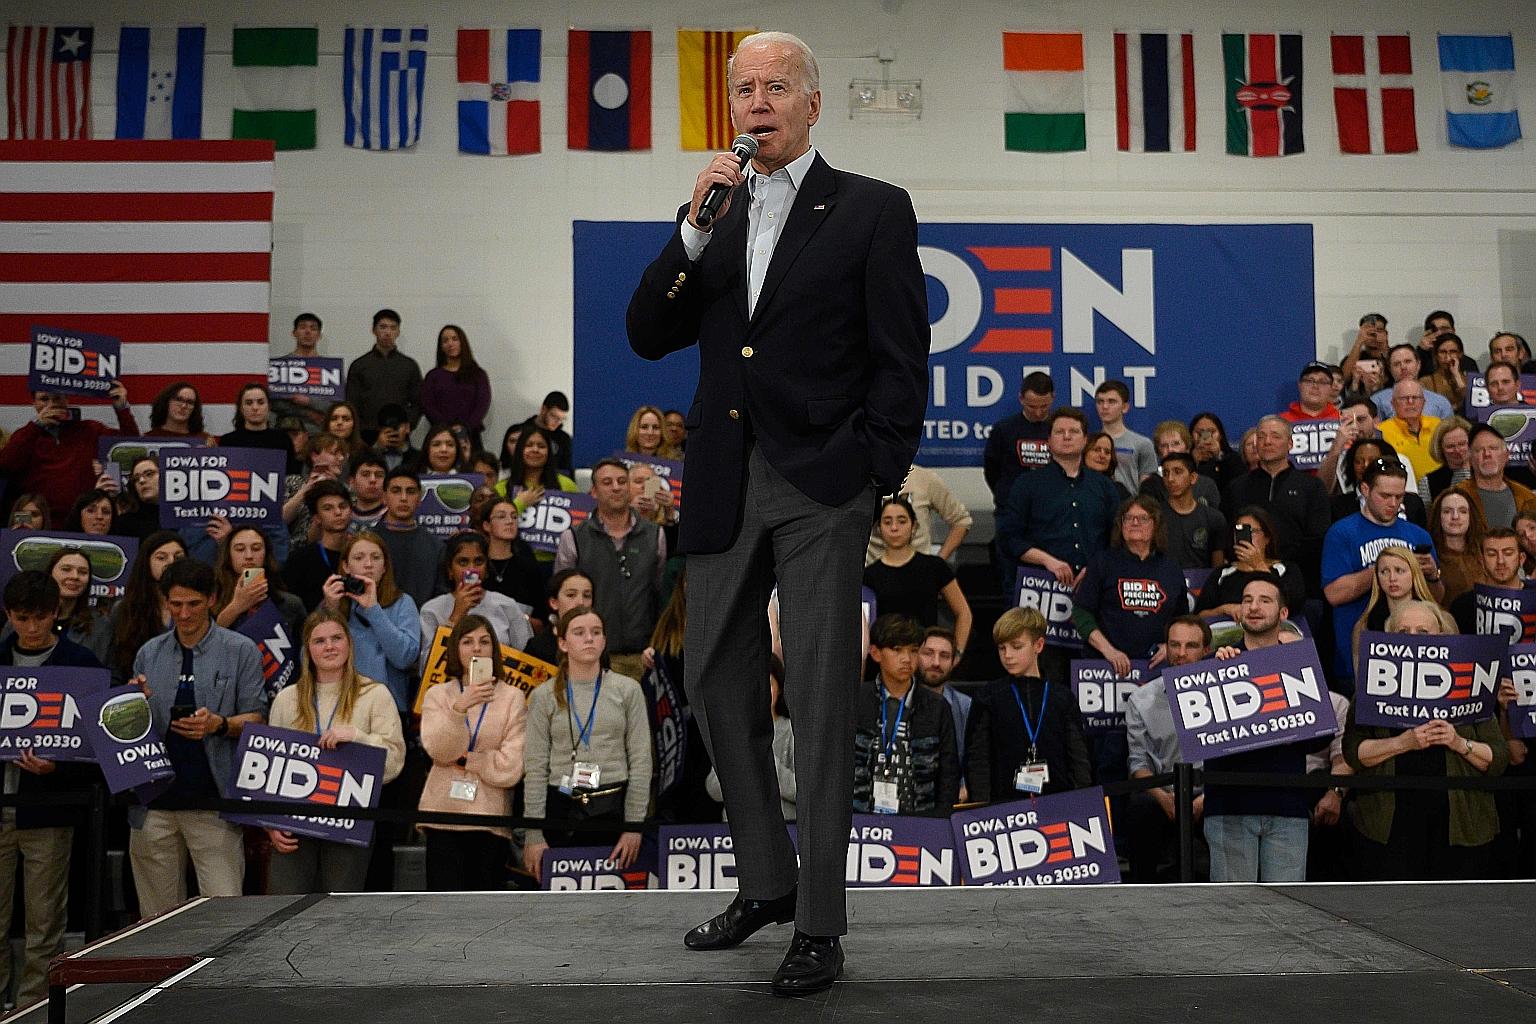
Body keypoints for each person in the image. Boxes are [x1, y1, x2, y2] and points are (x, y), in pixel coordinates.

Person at [625, 30, 928, 996]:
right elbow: (645, 334)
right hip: (723, 477)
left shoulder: (872, 209)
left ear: (812, 102)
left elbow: (902, 355)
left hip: (821, 483)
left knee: (825, 696)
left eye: (774, 87)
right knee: (710, 675)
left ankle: (820, 924)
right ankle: (765, 876)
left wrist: (872, 473)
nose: (757, 102)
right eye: (743, 89)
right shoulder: (711, 213)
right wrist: (691, 230)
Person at [127, 558, 266, 917]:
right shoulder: (148, 653)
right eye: (175, 604)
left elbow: (257, 718)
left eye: (193, 604)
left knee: (224, 916)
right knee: (155, 922)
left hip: (213, 802)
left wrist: (219, 724)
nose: (184, 614)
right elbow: (131, 729)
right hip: (154, 804)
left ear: (212, 600)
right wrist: (131, 705)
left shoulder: (241, 650)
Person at [1345, 600, 1508, 879]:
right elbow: (1352, 752)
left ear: (1442, 639)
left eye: (1423, 631)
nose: (1413, 639)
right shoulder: (1371, 687)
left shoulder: (1470, 682)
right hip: (1390, 826)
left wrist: (1457, 742)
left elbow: (1498, 759)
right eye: (1402, 632)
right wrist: (1403, 743)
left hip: (1460, 826)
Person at [0, 571, 104, 1006]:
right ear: (9, 615)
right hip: (3, 807)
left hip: (50, 808)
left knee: (45, 920)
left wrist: (55, 768)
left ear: (55, 614)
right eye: (22, 618)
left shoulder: (81, 666)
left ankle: (33, 1009)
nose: (31, 627)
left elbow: (96, 751)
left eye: (40, 617)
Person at [266, 610, 405, 893]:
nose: (329, 646)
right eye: (319, 641)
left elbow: (394, 763)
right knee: (282, 910)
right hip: (295, 825)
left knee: (339, 915)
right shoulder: (286, 699)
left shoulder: (375, 694)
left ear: (349, 644)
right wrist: (270, 824)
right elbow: (270, 770)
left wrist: (357, 737)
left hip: (349, 822)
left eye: (336, 638)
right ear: (307, 650)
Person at [1203, 574, 1325, 882]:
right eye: (1247, 600)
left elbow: (1319, 740)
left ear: (1283, 614)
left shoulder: (1301, 666)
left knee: (1287, 915)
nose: (1254, 607)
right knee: (1233, 915)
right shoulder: (1215, 664)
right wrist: (1220, 674)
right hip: (1229, 807)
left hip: (1287, 807)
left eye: (1264, 600)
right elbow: (1198, 735)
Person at [522, 606, 651, 876]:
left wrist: (634, 826)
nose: (589, 639)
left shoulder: (627, 690)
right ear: (562, 643)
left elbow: (640, 761)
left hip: (613, 806)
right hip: (560, 805)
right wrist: (533, 835)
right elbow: (535, 767)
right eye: (579, 633)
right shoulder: (544, 695)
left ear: (604, 641)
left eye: (596, 632)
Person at [418, 614, 529, 891]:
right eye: (467, 642)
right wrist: (459, 708)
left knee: (483, 911)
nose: (476, 649)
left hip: (489, 819)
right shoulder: (437, 695)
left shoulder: (512, 697)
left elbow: (512, 767)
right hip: (443, 816)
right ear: (455, 649)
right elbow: (438, 751)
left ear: (494, 649)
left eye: (484, 641)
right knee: (443, 909)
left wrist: (470, 760)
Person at [1323, 459, 1441, 686]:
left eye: (1399, 497)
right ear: (1365, 489)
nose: (1393, 503)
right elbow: (1334, 594)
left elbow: (1435, 600)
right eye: (1385, 496)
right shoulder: (1341, 533)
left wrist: (1432, 575)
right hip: (1356, 655)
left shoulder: (1418, 535)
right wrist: (1385, 568)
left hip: (1415, 659)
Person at [965, 607, 1092, 802]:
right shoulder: (988, 696)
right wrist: (982, 807)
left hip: (1059, 803)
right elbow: (977, 760)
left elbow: (1079, 760)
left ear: (1038, 645)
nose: (1007, 655)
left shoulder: (1061, 697)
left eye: (1016, 647)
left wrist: (1080, 801)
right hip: (1004, 809)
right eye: (1002, 648)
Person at [555, 459, 664, 682]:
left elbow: (661, 593)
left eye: (622, 481)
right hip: (594, 658)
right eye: (607, 482)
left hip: (644, 657)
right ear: (593, 491)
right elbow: (564, 599)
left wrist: (657, 646)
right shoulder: (574, 537)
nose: (616, 487)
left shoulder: (656, 535)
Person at [1124, 615, 1210, 882]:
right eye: (1175, 645)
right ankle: (1141, 895)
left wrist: (1205, 799)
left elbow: (1234, 757)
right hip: (1163, 793)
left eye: (1191, 646)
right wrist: (1164, 799)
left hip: (1211, 793)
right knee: (1140, 808)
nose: (1181, 654)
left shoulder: (1225, 690)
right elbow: (1138, 763)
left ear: (1207, 650)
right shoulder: (1141, 698)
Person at [998, 407, 1122, 592]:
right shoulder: (1026, 484)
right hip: (1040, 584)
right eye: (1059, 432)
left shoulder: (1104, 486)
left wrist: (1096, 568)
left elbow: (1117, 537)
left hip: (1093, 585)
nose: (1066, 436)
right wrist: (1048, 561)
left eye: (1073, 431)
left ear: (1085, 439)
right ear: (1048, 440)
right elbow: (1010, 538)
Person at [851, 615, 958, 816]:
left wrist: (941, 820)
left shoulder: (936, 706)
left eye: (913, 651)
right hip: (860, 822)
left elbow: (948, 774)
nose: (907, 659)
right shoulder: (856, 700)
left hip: (920, 822)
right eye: (897, 650)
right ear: (875, 653)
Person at [1073, 495, 1187, 676]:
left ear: (1155, 524)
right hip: (1105, 668)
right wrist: (1109, 651)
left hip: (1155, 669)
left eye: (1143, 518)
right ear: (1121, 525)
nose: (1135, 522)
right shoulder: (1103, 562)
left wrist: (1169, 646)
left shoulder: (1171, 568)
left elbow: (1182, 619)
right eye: (1128, 518)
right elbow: (1081, 613)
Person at [0, 384, 139, 528]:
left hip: (82, 523)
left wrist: (122, 407)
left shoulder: (90, 430)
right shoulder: (25, 435)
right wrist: (35, 427)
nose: (51, 405)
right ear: (33, 403)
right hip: (36, 522)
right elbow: (4, 466)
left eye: (57, 398)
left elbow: (130, 447)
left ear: (67, 399)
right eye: (44, 399)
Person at [1222, 415, 1332, 586]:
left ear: (1290, 444)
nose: (1267, 441)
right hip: (1245, 580)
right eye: (1261, 436)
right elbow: (1228, 535)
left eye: (1275, 436)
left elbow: (1318, 538)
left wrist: (1276, 563)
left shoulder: (1311, 486)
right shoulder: (1237, 487)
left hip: (1299, 579)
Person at [320, 531, 421, 714]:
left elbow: (405, 658)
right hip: (339, 705)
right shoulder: (332, 604)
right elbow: (309, 658)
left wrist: (373, 609)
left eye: (376, 558)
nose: (368, 565)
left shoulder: (402, 602)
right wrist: (330, 612)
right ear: (346, 566)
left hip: (388, 708)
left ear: (384, 567)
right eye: (359, 558)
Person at [862, 496, 972, 650]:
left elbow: (963, 612)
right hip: (885, 661)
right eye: (887, 522)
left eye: (901, 521)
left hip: (926, 659)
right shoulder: (868, 576)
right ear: (879, 528)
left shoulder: (935, 567)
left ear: (914, 526)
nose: (894, 528)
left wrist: (957, 652)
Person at [420, 531, 533, 658]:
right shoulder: (431, 610)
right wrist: (456, 616)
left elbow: (528, 659)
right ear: (450, 570)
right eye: (463, 562)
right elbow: (426, 667)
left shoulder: (507, 605)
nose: (471, 570)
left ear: (486, 569)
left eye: (478, 562)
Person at [1194, 507, 1307, 620]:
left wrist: (1259, 565)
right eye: (1239, 532)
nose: (1245, 538)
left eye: (1251, 532)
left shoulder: (1286, 569)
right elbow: (1199, 615)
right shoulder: (1222, 573)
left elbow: (1294, 604)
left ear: (1267, 538)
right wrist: (1224, 609)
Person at [107, 531, 186, 684]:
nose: (171, 562)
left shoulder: (200, 607)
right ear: (146, 563)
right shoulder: (125, 609)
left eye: (178, 557)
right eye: (161, 558)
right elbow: (114, 665)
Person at [211, 525, 306, 644]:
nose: (249, 556)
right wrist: (235, 608)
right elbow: (204, 646)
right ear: (228, 556)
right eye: (240, 549)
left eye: (256, 549)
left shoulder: (290, 604)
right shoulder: (211, 601)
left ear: (266, 555)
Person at [1351, 546, 1441, 668]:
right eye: (1384, 572)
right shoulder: (1364, 626)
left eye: (1399, 571)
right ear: (1377, 578)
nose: (1392, 578)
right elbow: (1361, 678)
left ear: (1414, 573)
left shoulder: (1441, 620)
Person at [864, 463, 971, 564]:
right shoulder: (860, 481)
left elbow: (961, 520)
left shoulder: (924, 479)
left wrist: (938, 563)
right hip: (870, 573)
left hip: (921, 573)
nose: (894, 527)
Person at [982, 370, 1055, 512]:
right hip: (1012, 509)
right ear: (1021, 399)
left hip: (1053, 509)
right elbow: (992, 469)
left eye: (1044, 406)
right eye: (1032, 407)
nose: (1038, 412)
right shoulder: (1004, 429)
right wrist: (1005, 497)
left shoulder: (1062, 428)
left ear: (1053, 398)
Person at [377, 469, 446, 609]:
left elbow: (441, 598)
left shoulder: (436, 546)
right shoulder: (367, 542)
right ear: (384, 497)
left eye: (410, 491)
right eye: (396, 491)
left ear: (419, 498)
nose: (403, 498)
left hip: (424, 625)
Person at [346, 308, 422, 432]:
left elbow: (418, 402)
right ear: (374, 330)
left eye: (393, 328)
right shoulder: (359, 365)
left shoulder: (409, 365)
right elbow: (351, 403)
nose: (388, 332)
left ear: (398, 332)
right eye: (383, 327)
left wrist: (408, 423)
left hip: (399, 432)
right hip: (366, 434)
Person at [1453, 424, 1536, 533]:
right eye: (1479, 450)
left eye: (1493, 448)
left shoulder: (1527, 498)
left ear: (1506, 455)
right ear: (1470, 459)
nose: (1487, 454)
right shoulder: (1456, 496)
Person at [286, 480, 354, 613]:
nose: (338, 512)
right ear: (316, 518)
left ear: (351, 511)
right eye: (328, 508)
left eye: (343, 506)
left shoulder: (363, 554)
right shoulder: (300, 560)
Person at [1330, 436, 1427, 528]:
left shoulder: (1413, 503)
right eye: (1358, 461)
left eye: (1372, 461)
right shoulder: (1338, 506)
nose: (1365, 465)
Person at [420, 325, 491, 446]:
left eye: (454, 339)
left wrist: (465, 427)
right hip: (440, 436)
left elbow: (482, 404)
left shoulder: (477, 374)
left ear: (462, 342)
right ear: (441, 346)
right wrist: (448, 429)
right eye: (445, 341)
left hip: (470, 436)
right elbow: (428, 405)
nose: (450, 344)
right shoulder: (433, 376)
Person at [1154, 453, 1227, 569]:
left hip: (1202, 584)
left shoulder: (1213, 518)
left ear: (1193, 478)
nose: (1170, 479)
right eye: (1165, 473)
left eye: (1177, 472)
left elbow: (1217, 568)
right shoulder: (1154, 516)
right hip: (1163, 583)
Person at [917, 626, 970, 784]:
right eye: (928, 653)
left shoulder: (965, 705)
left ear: (954, 661)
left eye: (945, 656)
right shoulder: (899, 700)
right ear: (915, 655)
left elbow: (973, 757)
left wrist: (964, 787)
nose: (936, 663)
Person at [42, 548, 112, 664]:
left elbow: (111, 675)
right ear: (50, 573)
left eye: (83, 572)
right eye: (66, 569)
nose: (75, 576)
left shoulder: (100, 625)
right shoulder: (23, 618)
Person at [476, 497, 545, 613]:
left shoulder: (528, 567)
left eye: (514, 517)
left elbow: (541, 616)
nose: (510, 521)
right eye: (501, 517)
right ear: (486, 525)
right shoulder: (475, 565)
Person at [1449, 528, 1523, 634]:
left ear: (1521, 559)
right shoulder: (1463, 606)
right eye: (1492, 554)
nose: (1500, 561)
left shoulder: (1533, 598)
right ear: (1482, 561)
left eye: (1508, 553)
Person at [268, 312, 331, 430]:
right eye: (303, 327)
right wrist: (307, 413)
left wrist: (309, 401)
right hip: (286, 430)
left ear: (319, 335)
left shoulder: (330, 368)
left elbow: (337, 404)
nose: (308, 332)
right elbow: (274, 403)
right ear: (294, 333)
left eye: (313, 328)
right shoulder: (281, 366)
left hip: (320, 434)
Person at [1139, 421, 1222, 508]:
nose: (1170, 449)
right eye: (1164, 445)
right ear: (1158, 452)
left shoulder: (1206, 484)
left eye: (1176, 444)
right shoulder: (1150, 485)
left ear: (1187, 448)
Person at [1092, 380, 1155, 494]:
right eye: (1100, 401)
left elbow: (1148, 487)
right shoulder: (1087, 443)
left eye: (1112, 402)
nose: (1104, 406)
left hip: (1129, 506)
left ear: (1125, 407)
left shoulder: (1142, 444)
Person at [219, 382, 297, 471]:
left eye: (261, 402)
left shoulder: (283, 440)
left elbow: (291, 476)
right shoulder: (228, 442)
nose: (255, 407)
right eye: (249, 403)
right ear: (241, 408)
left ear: (269, 407)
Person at [1429, 489, 1488, 606]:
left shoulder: (1485, 552)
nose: (1455, 517)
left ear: (1471, 517)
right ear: (1438, 516)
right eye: (1447, 511)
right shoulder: (1430, 557)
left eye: (1463, 511)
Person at [524, 569, 594, 666]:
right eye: (571, 595)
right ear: (554, 602)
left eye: (587, 596)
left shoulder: (596, 641)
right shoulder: (538, 646)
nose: (581, 602)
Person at [1377, 380, 1442, 481]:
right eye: (1404, 398)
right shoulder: (1382, 431)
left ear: (1423, 402)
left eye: (1415, 398)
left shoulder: (1438, 425)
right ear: (1393, 403)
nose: (1410, 402)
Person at [1372, 344, 1453, 421]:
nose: (1403, 367)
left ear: (1418, 364)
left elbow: (1450, 433)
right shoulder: (1377, 400)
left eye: (1408, 361)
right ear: (1390, 369)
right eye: (1397, 364)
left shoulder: (1440, 402)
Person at [515, 391, 575, 477]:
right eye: (554, 416)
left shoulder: (563, 439)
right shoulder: (520, 432)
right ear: (543, 409)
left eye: (562, 419)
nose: (557, 422)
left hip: (554, 485)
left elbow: (567, 471)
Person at [1188, 412, 1247, 496]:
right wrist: (1194, 462)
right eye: (1199, 433)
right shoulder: (1185, 460)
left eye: (1211, 432)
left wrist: (1219, 457)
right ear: (1191, 436)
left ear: (1220, 435)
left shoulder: (1234, 459)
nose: (1206, 437)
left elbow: (1238, 485)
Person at [146, 381, 214, 443]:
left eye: (190, 402)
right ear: (166, 402)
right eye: (178, 400)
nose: (184, 406)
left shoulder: (204, 440)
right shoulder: (148, 439)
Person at [113, 455, 162, 540]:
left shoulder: (185, 515)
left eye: (149, 474)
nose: (141, 480)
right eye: (136, 478)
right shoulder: (124, 524)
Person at [1425, 417, 1474, 500]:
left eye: (1462, 444)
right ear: (1440, 448)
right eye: (1450, 446)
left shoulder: (1487, 473)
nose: (1457, 450)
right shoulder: (1428, 482)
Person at [1420, 332, 1470, 410]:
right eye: (1443, 352)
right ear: (1436, 355)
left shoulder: (1470, 380)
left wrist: (1457, 376)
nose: (1448, 357)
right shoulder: (1425, 382)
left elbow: (1470, 403)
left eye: (1453, 352)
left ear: (1460, 354)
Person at [371, 403, 419, 472]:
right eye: (387, 427)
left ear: (407, 427)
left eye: (397, 427)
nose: (392, 432)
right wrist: (377, 449)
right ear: (379, 429)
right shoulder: (367, 456)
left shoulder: (418, 458)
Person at [348, 452, 389, 530]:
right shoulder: (342, 517)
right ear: (352, 481)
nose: (372, 480)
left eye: (379, 475)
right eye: (365, 474)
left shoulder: (392, 518)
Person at [1084, 431, 1130, 499]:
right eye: (1096, 450)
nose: (1102, 456)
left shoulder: (1118, 490)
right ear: (1084, 453)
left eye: (1107, 452)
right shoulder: (1072, 485)